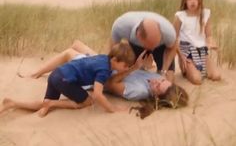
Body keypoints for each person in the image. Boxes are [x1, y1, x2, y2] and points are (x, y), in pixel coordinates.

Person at [15, 40, 188, 107]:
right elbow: (173, 45)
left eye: (158, 87)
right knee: (76, 44)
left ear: (156, 97)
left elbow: (110, 85)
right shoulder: (160, 78)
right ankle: (39, 76)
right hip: (108, 65)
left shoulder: (138, 92)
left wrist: (133, 69)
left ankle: (36, 75)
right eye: (162, 81)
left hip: (99, 76)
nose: (157, 81)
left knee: (69, 52)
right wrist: (146, 66)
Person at [0, 41, 136, 116]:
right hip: (64, 80)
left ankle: (13, 103)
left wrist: (132, 68)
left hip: (56, 73)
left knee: (44, 104)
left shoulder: (102, 58)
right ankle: (53, 104)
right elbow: (98, 94)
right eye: (125, 65)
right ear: (115, 60)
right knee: (88, 101)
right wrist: (113, 109)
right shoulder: (104, 70)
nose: (126, 68)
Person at [173, 0, 221, 85]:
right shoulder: (180, 16)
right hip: (187, 53)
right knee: (197, 80)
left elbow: (208, 36)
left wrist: (211, 44)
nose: (193, 1)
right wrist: (181, 56)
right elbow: (173, 39)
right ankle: (186, 68)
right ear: (185, 1)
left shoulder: (205, 13)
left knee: (216, 76)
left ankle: (199, 67)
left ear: (200, 0)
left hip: (202, 51)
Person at [111, 11, 177, 82]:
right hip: (134, 44)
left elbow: (172, 47)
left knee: (168, 79)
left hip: (161, 46)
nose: (152, 49)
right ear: (138, 36)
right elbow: (113, 52)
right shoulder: (121, 26)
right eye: (150, 45)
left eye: (154, 45)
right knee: (125, 72)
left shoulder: (169, 33)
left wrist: (164, 71)